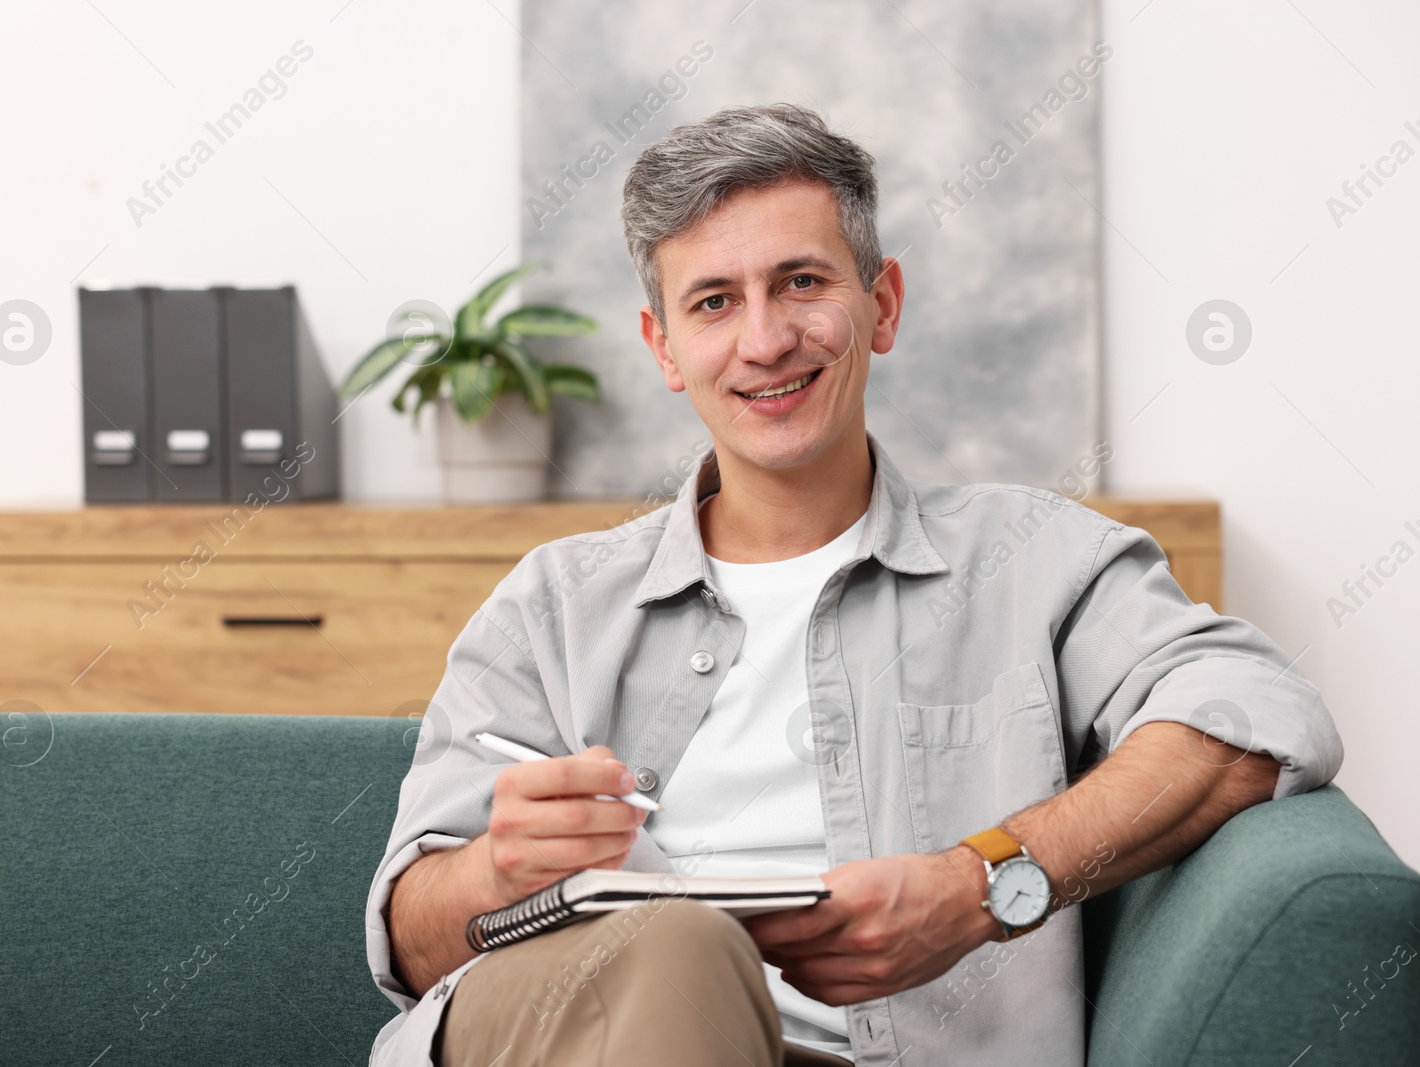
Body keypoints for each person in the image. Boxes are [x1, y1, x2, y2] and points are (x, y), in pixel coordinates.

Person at [363, 103, 1343, 1066]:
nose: (764, 339)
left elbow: (1253, 714)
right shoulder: (550, 605)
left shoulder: (1035, 559)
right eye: (713, 301)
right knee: (672, 943)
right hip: (574, 1037)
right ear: (663, 346)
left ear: (882, 303)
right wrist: (500, 868)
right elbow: (409, 944)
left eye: (799, 282)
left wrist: (977, 881)